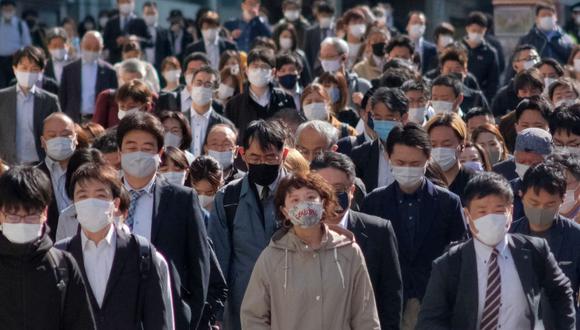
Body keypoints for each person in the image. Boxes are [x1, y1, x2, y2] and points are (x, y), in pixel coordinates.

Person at [417, 172, 575, 330]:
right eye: (482, 211)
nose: (491, 218)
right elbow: (431, 319)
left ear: (510, 213)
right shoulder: (450, 263)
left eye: (499, 211)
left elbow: (561, 293)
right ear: (467, 215)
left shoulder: (534, 250)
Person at [240, 171, 381, 329]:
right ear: (285, 211)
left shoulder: (348, 252)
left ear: (323, 202)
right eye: (295, 200)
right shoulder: (272, 257)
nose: (304, 205)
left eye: (310, 198)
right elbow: (253, 317)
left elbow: (365, 315)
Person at [362, 123, 466, 330]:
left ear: (428, 161)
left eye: (415, 163)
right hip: (388, 303)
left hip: (433, 301)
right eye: (400, 162)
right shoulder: (374, 202)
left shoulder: (448, 203)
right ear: (388, 158)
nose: (408, 169)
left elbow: (459, 255)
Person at [117, 111, 210, 329]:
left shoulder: (182, 200)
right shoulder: (105, 196)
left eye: (147, 148)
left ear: (159, 153)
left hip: (167, 313)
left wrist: (188, 316)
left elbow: (199, 265)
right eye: (131, 147)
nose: (138, 154)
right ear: (119, 152)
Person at [56, 163, 172, 329]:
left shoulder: (140, 252)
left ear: (116, 204)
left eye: (100, 196)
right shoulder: (61, 255)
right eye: (83, 196)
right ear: (74, 204)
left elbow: (157, 320)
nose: (91, 202)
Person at [209, 119, 288, 330]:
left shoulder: (298, 194)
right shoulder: (227, 198)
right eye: (255, 157)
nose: (262, 163)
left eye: (270, 157)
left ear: (284, 155)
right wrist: (216, 313)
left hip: (291, 302)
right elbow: (218, 258)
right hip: (241, 304)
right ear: (243, 155)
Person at [311, 151, 403, 329]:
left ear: (351, 191)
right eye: (322, 190)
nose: (330, 197)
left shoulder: (379, 232)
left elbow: (390, 298)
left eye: (338, 190)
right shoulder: (295, 234)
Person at [0, 166, 96, 329]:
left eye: (31, 215)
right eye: (13, 215)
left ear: (45, 212)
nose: (22, 222)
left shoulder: (63, 265)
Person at [509, 162, 580, 327]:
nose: (541, 209)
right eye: (534, 203)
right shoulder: (508, 235)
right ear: (521, 195)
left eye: (549, 204)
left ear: (562, 201)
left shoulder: (575, 238)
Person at [0, 46, 61, 165]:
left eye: (34, 69)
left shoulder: (50, 101)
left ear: (41, 72)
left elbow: (58, 132)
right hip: (8, 164)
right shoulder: (2, 98)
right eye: (24, 68)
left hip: (40, 164)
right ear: (14, 69)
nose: (28, 73)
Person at [224, 47, 295, 142]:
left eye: (264, 67)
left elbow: (292, 133)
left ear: (273, 72)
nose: (259, 70)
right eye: (255, 66)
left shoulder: (285, 99)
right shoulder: (234, 105)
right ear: (247, 71)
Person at [352, 87, 408, 192]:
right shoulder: (360, 155)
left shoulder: (416, 153)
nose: (383, 122)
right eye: (377, 118)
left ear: (404, 118)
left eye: (389, 118)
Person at [36, 113, 78, 241]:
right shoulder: (34, 177)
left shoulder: (91, 171)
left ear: (75, 138)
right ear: (43, 142)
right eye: (52, 136)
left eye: (65, 135)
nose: (59, 140)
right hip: (49, 248)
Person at [59, 31, 118, 123]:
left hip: (100, 121)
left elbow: (113, 101)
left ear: (101, 48)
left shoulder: (110, 71)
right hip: (73, 120)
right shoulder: (69, 70)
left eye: (96, 48)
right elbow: (63, 98)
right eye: (88, 47)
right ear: (81, 45)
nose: (91, 51)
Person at [183, 65, 233, 157]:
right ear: (191, 87)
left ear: (216, 92)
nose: (202, 88)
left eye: (208, 85)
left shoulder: (225, 126)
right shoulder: (179, 120)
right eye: (198, 83)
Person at [425, 113, 475, 200]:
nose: (440, 150)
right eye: (433, 145)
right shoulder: (421, 183)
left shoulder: (476, 183)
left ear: (462, 145)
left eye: (446, 144)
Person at [510, 127, 554, 221]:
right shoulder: (507, 191)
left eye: (534, 163)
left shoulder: (563, 191)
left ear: (549, 161)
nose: (527, 167)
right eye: (521, 162)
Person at [497, 70, 545, 153]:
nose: (529, 95)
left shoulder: (551, 116)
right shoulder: (507, 122)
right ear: (518, 93)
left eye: (533, 91)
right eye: (524, 91)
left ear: (541, 91)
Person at [318, 37, 372, 109]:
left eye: (330, 57)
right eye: (322, 57)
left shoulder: (363, 86)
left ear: (344, 58)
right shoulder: (317, 87)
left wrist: (363, 103)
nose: (325, 61)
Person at [492, 45, 540, 117]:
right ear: (515, 65)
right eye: (528, 59)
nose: (534, 62)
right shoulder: (504, 96)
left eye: (536, 58)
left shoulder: (545, 89)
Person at [462, 11, 500, 102]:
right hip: (458, 96)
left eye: (479, 31)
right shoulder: (457, 48)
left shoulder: (490, 53)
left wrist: (485, 101)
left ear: (485, 31)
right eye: (473, 31)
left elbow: (493, 83)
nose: (476, 34)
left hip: (479, 100)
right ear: (467, 29)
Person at [103, 0, 152, 65]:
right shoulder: (111, 23)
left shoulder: (140, 22)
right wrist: (116, 42)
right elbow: (104, 43)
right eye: (123, 2)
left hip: (136, 63)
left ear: (133, 3)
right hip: (116, 63)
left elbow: (150, 41)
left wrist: (137, 39)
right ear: (118, 4)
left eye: (128, 1)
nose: (126, 4)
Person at [0, 0, 31, 88]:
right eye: (6, 10)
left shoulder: (20, 25)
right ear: (2, 10)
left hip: (14, 60)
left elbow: (27, 44)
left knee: (13, 85)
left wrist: (20, 53)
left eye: (10, 10)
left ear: (14, 10)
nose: (8, 12)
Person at [303, 1, 336, 74]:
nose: (326, 18)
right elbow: (307, 54)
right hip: (315, 70)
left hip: (333, 68)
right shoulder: (310, 32)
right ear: (318, 15)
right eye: (324, 15)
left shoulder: (337, 31)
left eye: (329, 16)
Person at [141, 1, 172, 71]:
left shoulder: (164, 32)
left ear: (157, 13)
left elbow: (169, 53)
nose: (150, 15)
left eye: (152, 13)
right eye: (148, 13)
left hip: (159, 69)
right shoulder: (138, 29)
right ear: (143, 14)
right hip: (141, 67)